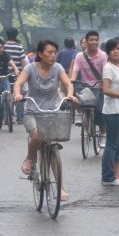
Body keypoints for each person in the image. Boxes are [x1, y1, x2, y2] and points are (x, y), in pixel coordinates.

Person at [14, 40, 77, 202]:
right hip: (33, 112)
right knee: (36, 134)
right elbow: (19, 83)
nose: (53, 55)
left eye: (54, 52)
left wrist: (70, 94)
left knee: (53, 150)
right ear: (40, 54)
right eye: (49, 52)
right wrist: (18, 94)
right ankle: (30, 158)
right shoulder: (30, 68)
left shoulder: (58, 68)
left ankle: (61, 187)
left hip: (51, 113)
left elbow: (68, 83)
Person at [100, 39, 119, 186]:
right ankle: (107, 177)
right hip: (113, 110)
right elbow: (106, 90)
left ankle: (114, 174)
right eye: (113, 49)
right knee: (111, 143)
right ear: (108, 52)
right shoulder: (108, 67)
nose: (116, 51)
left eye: (118, 48)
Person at [70, 31, 108, 136]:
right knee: (85, 107)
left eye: (96, 40)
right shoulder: (79, 56)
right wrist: (72, 78)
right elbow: (75, 69)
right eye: (91, 40)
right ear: (86, 42)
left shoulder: (103, 55)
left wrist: (105, 84)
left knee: (101, 111)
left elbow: (105, 71)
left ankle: (103, 133)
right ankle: (86, 129)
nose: (94, 42)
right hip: (85, 86)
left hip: (99, 86)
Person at [0, 39, 20, 106]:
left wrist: (16, 70)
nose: (1, 49)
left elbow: (12, 63)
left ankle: (10, 113)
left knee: (8, 92)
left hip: (4, 75)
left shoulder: (5, 54)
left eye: (2, 47)